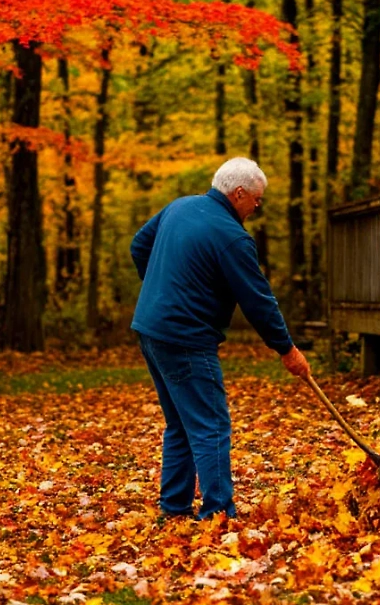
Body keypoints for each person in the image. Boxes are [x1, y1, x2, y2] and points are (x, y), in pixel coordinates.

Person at [130, 157, 311, 521]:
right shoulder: (232, 238)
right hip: (185, 338)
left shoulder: (179, 207)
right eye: (256, 198)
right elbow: (258, 301)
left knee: (181, 422)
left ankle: (175, 508)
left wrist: (162, 291)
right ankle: (217, 514)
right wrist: (286, 349)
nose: (258, 205)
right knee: (210, 424)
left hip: (151, 329)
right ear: (239, 192)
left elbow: (139, 246)